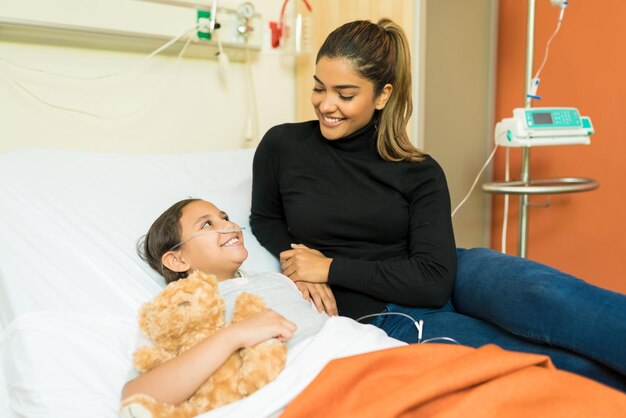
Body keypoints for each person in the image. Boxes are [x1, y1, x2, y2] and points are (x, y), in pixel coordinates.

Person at [249, 18, 626, 390]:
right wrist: (295, 262)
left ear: (382, 95)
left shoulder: (419, 172)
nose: (326, 105)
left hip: (450, 270)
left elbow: (432, 280)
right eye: (319, 88)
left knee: (556, 299)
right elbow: (265, 216)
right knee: (551, 366)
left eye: (345, 95)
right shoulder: (282, 146)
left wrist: (328, 268)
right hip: (388, 310)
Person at [121, 198, 329, 405]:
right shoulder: (176, 308)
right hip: (302, 386)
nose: (229, 225)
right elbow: (137, 397)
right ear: (178, 260)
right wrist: (234, 335)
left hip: (346, 351)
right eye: (207, 224)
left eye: (225, 217)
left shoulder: (277, 280)